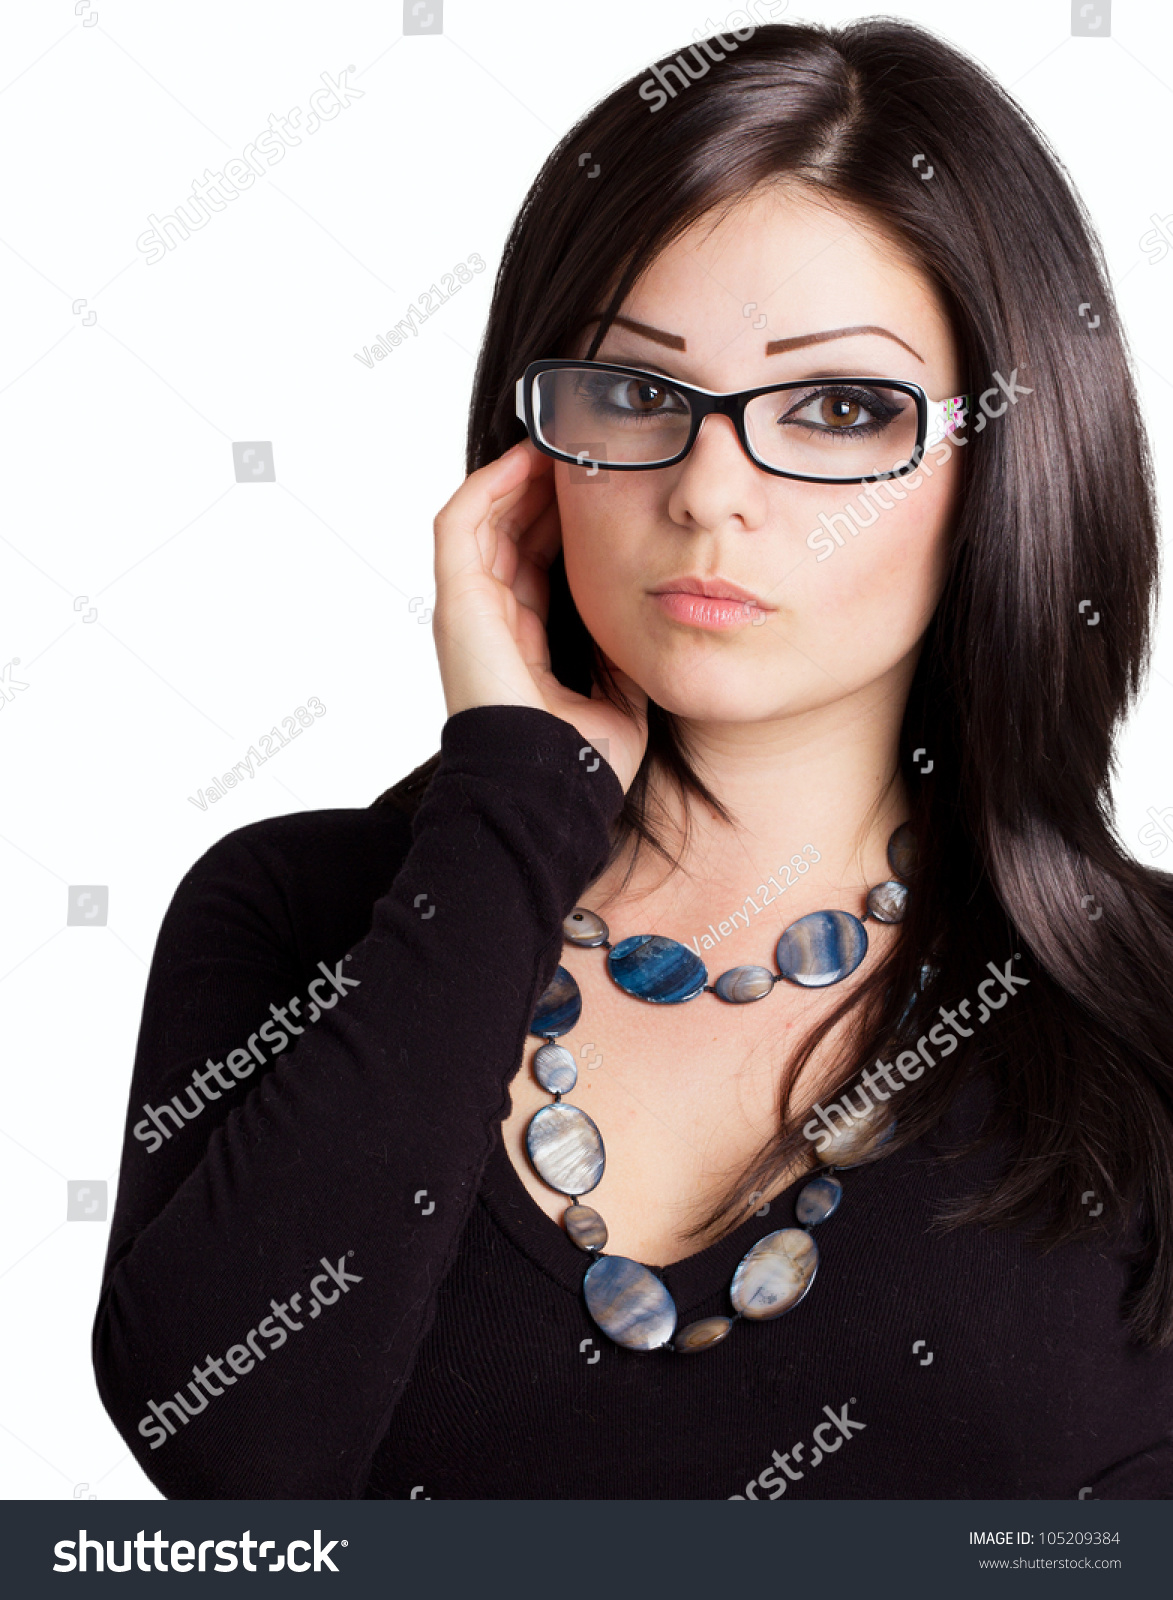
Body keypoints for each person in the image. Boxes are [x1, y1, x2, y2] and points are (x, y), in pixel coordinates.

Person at [93, 18, 1173, 1498]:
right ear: (524, 457)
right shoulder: (296, 914)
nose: (708, 493)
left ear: (1009, 459)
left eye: (842, 408)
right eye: (634, 392)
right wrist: (510, 794)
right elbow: (231, 1468)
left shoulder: (1148, 1003)